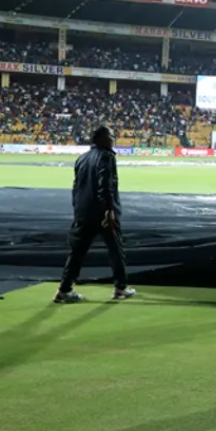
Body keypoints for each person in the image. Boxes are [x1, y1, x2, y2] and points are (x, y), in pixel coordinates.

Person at [54, 125, 134, 304]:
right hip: (102, 213)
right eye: (110, 136)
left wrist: (78, 210)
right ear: (102, 139)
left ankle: (64, 290)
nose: (113, 139)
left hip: (83, 212)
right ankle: (120, 288)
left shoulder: (81, 159)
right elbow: (105, 185)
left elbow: (76, 188)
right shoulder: (107, 156)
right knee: (115, 250)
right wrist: (109, 210)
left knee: (77, 253)